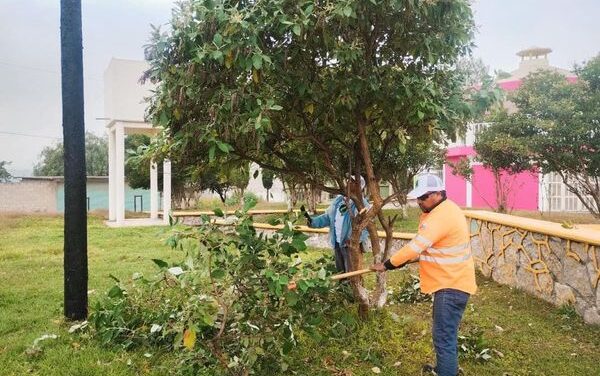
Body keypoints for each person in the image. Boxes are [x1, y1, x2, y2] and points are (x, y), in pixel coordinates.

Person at [370, 173, 476, 376]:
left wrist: (388, 265)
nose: (419, 201)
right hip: (454, 280)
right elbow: (437, 247)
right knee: (447, 334)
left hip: (451, 285)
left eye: (424, 197)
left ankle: (447, 372)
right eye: (418, 197)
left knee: (443, 336)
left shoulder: (440, 216)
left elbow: (415, 246)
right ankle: (445, 369)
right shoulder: (447, 209)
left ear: (438, 194)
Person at [304, 176, 370, 273]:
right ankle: (342, 288)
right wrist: (313, 222)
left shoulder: (361, 204)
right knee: (340, 271)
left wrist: (354, 240)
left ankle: (352, 288)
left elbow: (366, 227)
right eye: (348, 180)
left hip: (351, 245)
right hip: (338, 242)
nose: (348, 182)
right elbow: (328, 217)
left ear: (359, 186)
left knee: (351, 273)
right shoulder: (339, 200)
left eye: (352, 181)